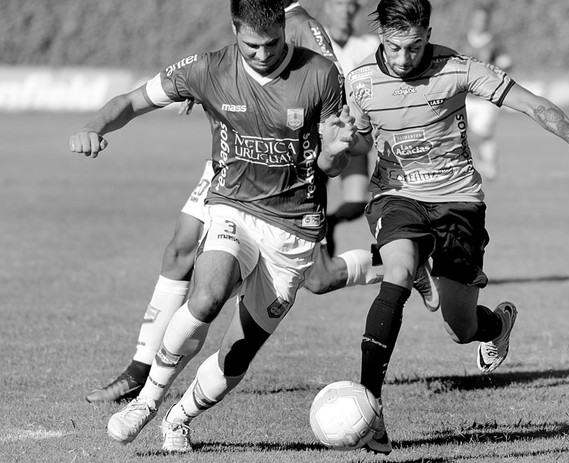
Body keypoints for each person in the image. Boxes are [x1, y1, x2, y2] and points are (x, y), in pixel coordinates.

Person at [70, 0, 362, 452]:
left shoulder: (321, 74)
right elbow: (132, 100)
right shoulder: (208, 69)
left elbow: (329, 164)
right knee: (206, 296)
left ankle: (179, 417)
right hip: (233, 208)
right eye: (251, 45)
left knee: (237, 354)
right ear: (234, 29)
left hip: (295, 228)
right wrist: (94, 126)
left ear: (284, 28)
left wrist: (339, 150)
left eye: (271, 44)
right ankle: (145, 401)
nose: (262, 54)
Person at [344, 0, 569, 454]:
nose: (402, 59)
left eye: (413, 47)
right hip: (396, 195)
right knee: (394, 273)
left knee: (460, 327)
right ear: (381, 39)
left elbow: (530, 103)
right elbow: (343, 155)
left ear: (427, 33)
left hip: (458, 202)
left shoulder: (459, 68)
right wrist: (341, 147)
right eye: (393, 48)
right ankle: (370, 407)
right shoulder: (359, 83)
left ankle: (498, 326)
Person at [322, 0, 381, 256]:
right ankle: (316, 262)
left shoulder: (369, 46)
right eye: (339, 3)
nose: (345, 10)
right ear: (328, 8)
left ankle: (331, 222)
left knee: (357, 202)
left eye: (351, 5)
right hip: (317, 135)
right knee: (310, 202)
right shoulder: (313, 42)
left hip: (354, 134)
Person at [464, 6, 513, 181]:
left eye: (484, 20)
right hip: (466, 98)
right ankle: (487, 164)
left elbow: (506, 64)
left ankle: (481, 163)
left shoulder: (495, 43)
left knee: (479, 135)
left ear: (488, 21)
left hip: (487, 100)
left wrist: (499, 68)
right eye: (477, 19)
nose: (480, 22)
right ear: (472, 19)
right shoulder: (463, 40)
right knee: (474, 136)